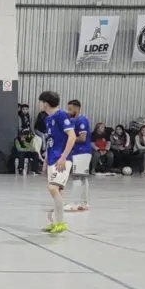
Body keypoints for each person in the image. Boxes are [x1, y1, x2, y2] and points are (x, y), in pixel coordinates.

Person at [39, 90, 76, 234]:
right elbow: (50, 142)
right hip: (52, 159)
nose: (39, 104)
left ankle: (61, 223)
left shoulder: (61, 116)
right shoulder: (48, 119)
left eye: (41, 101)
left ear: (46, 103)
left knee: (53, 188)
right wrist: (45, 161)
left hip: (61, 159)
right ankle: (56, 222)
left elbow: (72, 136)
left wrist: (63, 157)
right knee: (57, 191)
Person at [65, 100, 92, 212]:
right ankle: (84, 203)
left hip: (81, 152)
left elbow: (82, 138)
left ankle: (75, 203)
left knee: (77, 177)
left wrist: (70, 139)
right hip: (80, 152)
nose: (68, 111)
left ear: (77, 108)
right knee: (83, 177)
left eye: (70, 109)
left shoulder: (81, 120)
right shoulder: (73, 120)